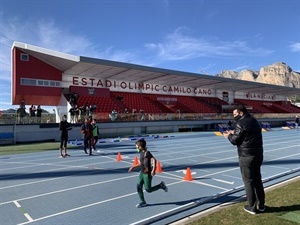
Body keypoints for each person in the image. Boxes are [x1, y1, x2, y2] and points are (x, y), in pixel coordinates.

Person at [223, 105, 265, 215]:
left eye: (235, 114)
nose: (234, 117)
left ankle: (252, 207)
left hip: (246, 156)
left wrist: (228, 136)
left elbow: (235, 141)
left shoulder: (241, 123)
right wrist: (234, 132)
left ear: (241, 113)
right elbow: (246, 134)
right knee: (257, 180)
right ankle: (261, 205)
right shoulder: (254, 120)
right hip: (258, 154)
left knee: (248, 181)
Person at [128, 139, 168, 208]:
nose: (136, 148)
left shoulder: (147, 153)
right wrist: (133, 167)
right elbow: (141, 163)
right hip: (142, 173)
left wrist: (153, 170)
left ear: (140, 146)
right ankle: (143, 202)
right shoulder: (141, 153)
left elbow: (154, 160)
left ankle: (161, 185)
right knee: (138, 187)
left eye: (137, 146)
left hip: (147, 174)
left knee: (148, 190)